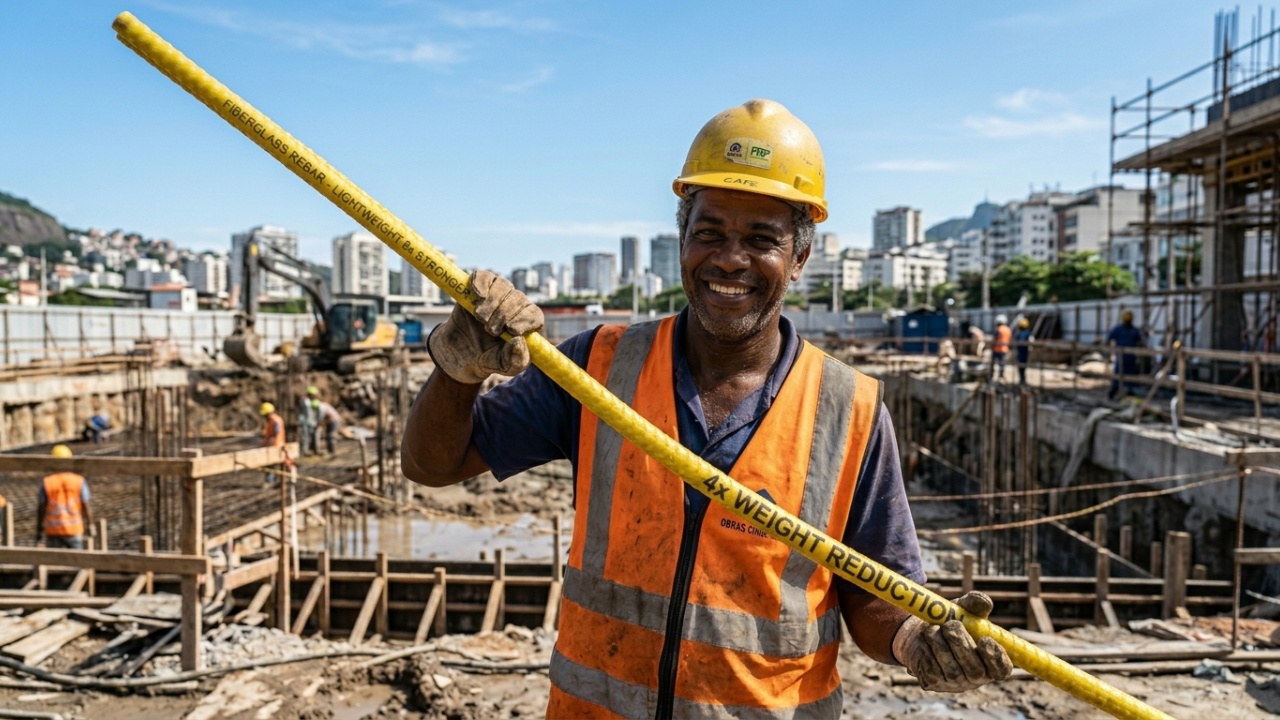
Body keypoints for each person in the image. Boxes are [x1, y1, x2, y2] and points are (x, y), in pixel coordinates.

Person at [403, 99, 1011, 717]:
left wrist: (915, 639)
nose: (729, 258)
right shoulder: (599, 368)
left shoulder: (847, 408)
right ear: (683, 239)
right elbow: (433, 464)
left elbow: (873, 590)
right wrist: (457, 371)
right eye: (710, 232)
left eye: (761, 239)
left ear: (799, 259)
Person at [37, 445, 94, 549]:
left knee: (54, 562)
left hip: (53, 530)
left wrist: (39, 530)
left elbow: (41, 508)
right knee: (77, 561)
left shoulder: (48, 482)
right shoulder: (79, 481)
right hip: (74, 530)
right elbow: (86, 505)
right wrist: (90, 525)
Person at [1107, 310, 1144, 400]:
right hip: (1120, 357)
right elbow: (1109, 339)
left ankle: (1129, 393)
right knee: (1118, 375)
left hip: (1131, 358)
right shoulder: (1118, 329)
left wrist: (1140, 347)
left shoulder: (1134, 330)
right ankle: (1113, 392)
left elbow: (1139, 342)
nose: (1127, 322)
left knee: (1130, 376)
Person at [299, 386, 320, 456]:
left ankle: (309, 449)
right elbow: (304, 413)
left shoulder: (310, 401)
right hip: (305, 421)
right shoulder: (305, 401)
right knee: (304, 436)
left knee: (309, 436)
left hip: (310, 422)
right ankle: (304, 450)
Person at [991, 315, 1011, 382]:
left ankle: (991, 376)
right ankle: (1001, 376)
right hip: (1005, 349)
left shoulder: (999, 329)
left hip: (997, 349)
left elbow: (995, 339)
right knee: (1002, 363)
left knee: (993, 363)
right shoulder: (1008, 329)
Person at [1015, 317, 1033, 385]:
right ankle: (1023, 379)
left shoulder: (1018, 334)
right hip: (1025, 352)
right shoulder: (1028, 333)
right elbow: (1031, 342)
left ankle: (1022, 379)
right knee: (1024, 366)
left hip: (1020, 353)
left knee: (1020, 367)